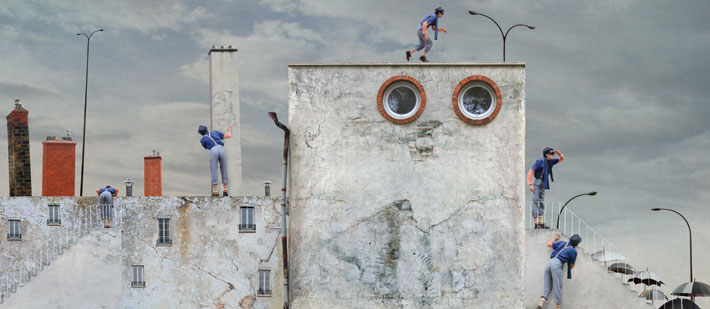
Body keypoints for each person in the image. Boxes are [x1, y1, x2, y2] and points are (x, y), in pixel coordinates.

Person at [538, 233, 581, 309]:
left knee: (547, 286)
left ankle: (541, 304)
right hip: (557, 264)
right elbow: (572, 266)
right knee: (558, 286)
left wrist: (555, 238)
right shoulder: (573, 251)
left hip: (550, 263)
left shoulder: (563, 243)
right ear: (577, 244)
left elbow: (549, 244)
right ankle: (558, 307)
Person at [527, 147, 565, 229]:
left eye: (553, 153)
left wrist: (558, 152)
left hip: (544, 183)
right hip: (537, 182)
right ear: (546, 154)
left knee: (541, 201)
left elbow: (562, 159)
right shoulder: (539, 162)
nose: (553, 155)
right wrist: (530, 184)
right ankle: (536, 223)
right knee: (535, 201)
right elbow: (531, 172)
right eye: (551, 153)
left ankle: (540, 223)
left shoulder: (551, 162)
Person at [198, 125, 232, 196]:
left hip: (213, 150)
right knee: (224, 168)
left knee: (214, 169)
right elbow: (228, 136)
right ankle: (225, 190)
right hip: (221, 148)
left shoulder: (202, 140)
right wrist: (229, 130)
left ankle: (215, 191)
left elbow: (206, 147)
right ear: (207, 129)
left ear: (201, 133)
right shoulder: (215, 132)